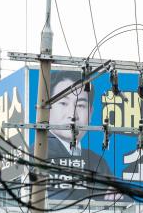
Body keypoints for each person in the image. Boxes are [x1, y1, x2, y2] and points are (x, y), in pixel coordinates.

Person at [46, 70, 113, 200]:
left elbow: (122, 198)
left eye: (81, 105)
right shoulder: (38, 155)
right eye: (63, 103)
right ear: (48, 110)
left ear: (91, 112)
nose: (72, 114)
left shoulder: (97, 162)